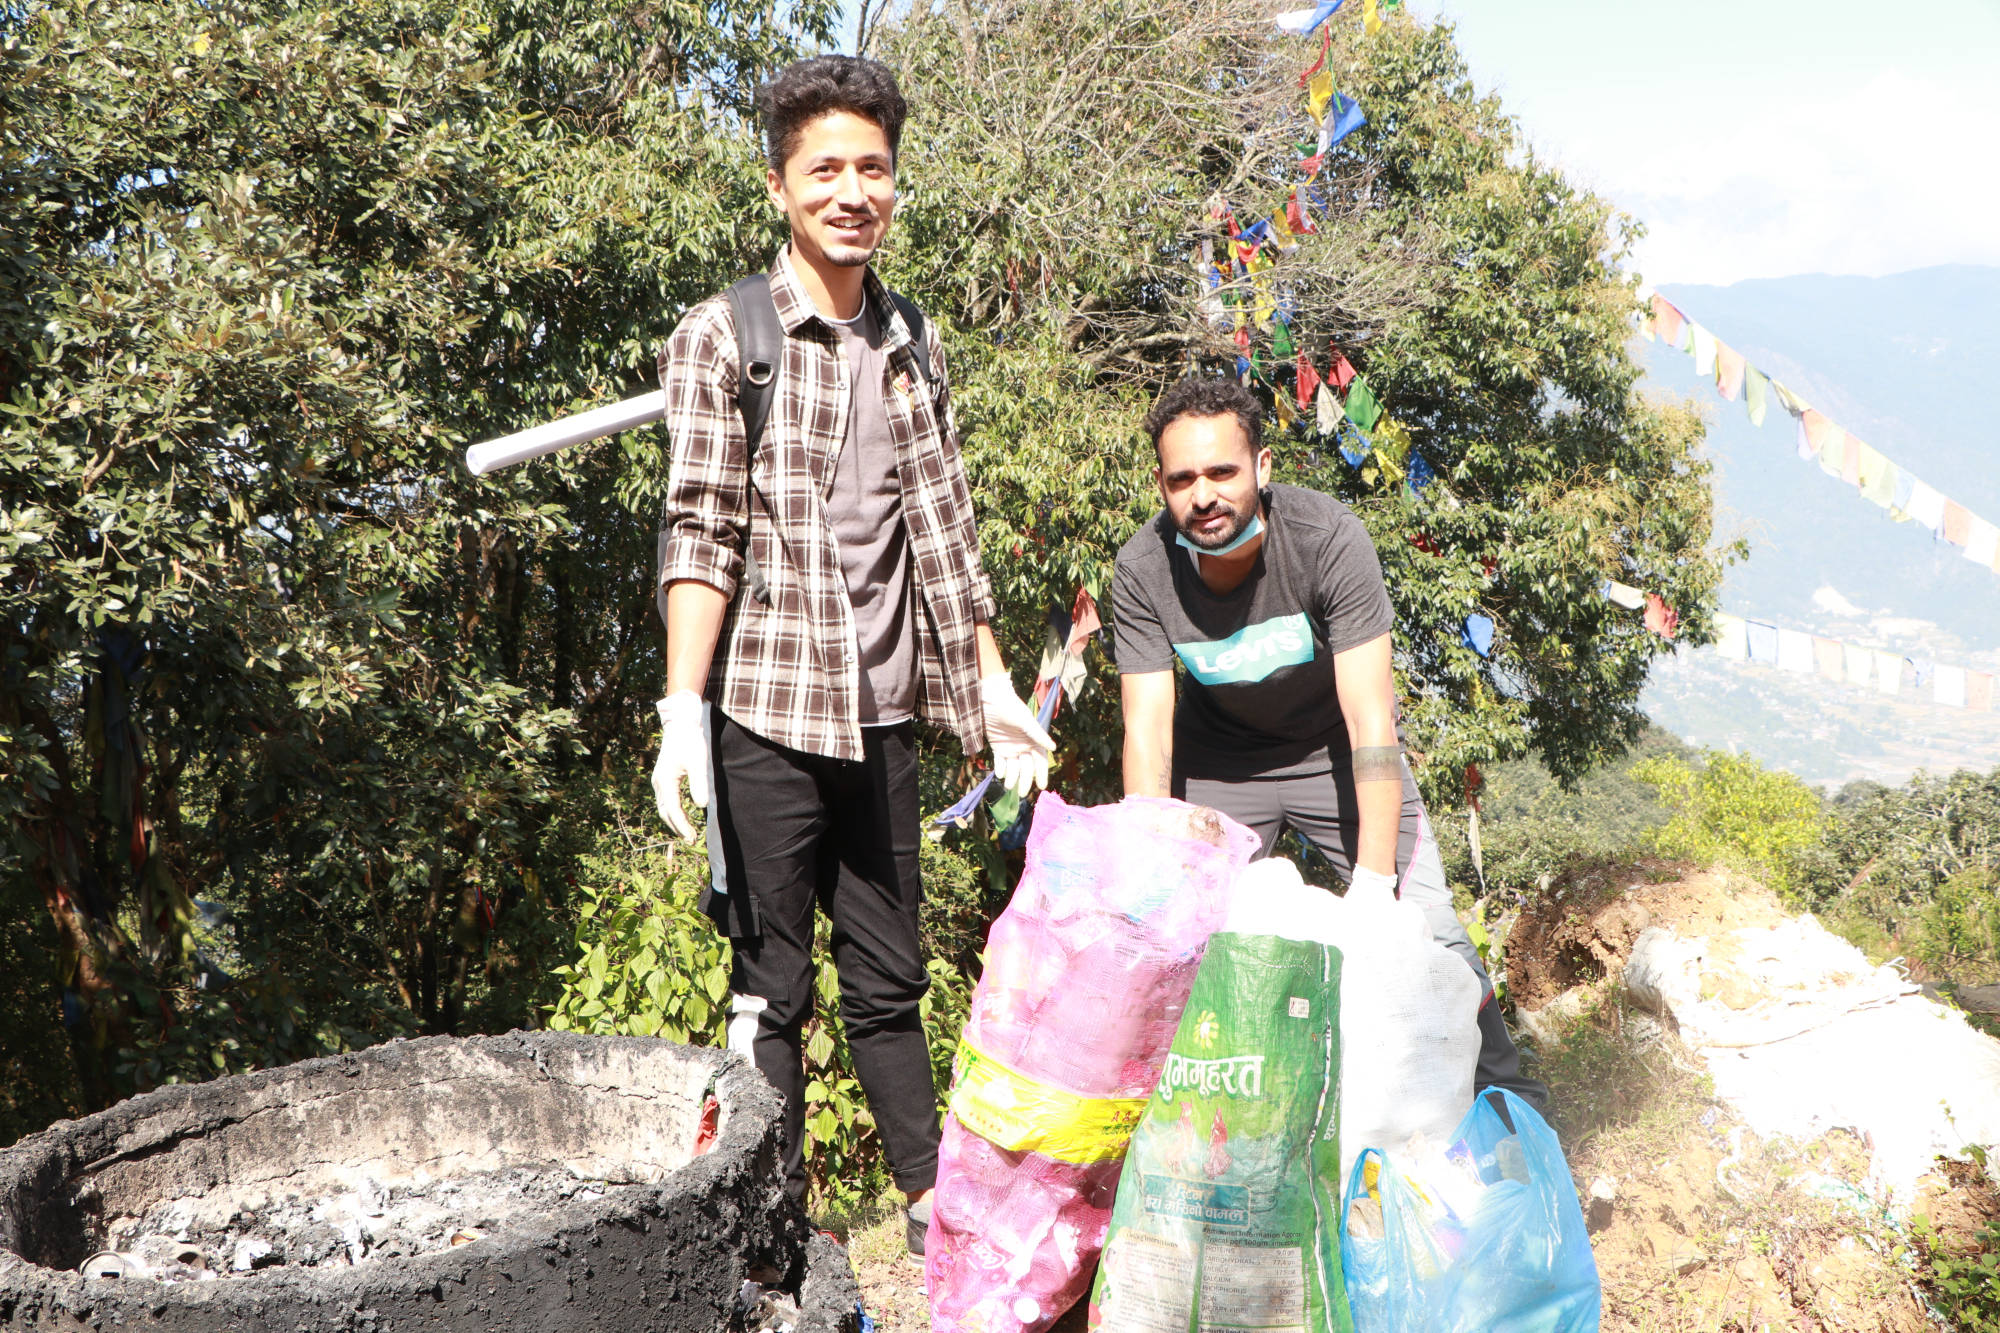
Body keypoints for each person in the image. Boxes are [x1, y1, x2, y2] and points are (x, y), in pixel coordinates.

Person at [649, 55, 1053, 1250]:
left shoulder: (910, 336)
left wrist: (990, 682)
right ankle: (770, 1225)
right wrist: (681, 708)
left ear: (893, 184)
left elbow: (945, 527)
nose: (850, 192)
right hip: (767, 714)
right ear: (779, 185)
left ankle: (933, 1205)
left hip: (884, 711)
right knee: (769, 987)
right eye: (823, 169)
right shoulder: (723, 337)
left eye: (871, 169)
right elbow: (699, 530)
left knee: (888, 977)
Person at [1109, 377, 1544, 1105]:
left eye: (1221, 471)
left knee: (1431, 930)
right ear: (1161, 485)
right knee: (1180, 938)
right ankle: (1194, 1120)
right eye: (1182, 479)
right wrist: (1155, 861)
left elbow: (1372, 719)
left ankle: (1509, 1106)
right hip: (1222, 766)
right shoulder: (1144, 569)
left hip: (1336, 754)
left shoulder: (1327, 539)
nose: (1203, 495)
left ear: (1262, 467)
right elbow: (1147, 728)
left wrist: (1373, 885)